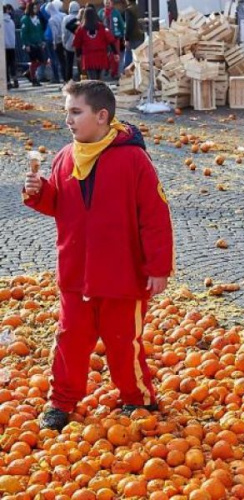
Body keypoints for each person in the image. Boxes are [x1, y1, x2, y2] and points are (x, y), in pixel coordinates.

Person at [23, 80, 174, 431]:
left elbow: (154, 217)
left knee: (124, 343)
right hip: (76, 275)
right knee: (69, 341)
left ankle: (138, 399)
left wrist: (158, 268)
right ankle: (61, 402)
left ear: (102, 116)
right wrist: (39, 193)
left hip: (123, 278)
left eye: (76, 112)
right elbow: (60, 204)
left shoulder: (134, 159)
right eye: (67, 113)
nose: (69, 120)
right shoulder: (64, 158)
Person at [74, 6, 118, 81]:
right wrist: (115, 53)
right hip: (101, 55)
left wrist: (78, 55)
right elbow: (110, 39)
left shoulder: (81, 29)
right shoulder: (101, 27)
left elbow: (77, 43)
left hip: (88, 57)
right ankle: (99, 91)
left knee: (92, 78)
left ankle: (95, 91)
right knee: (99, 78)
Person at [20, 2, 45, 86]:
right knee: (34, 61)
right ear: (30, 9)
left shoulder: (37, 18)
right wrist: (26, 44)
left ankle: (28, 73)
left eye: (36, 8)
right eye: (34, 8)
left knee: (42, 60)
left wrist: (42, 40)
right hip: (30, 44)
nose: (36, 10)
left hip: (38, 43)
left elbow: (40, 30)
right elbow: (23, 33)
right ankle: (34, 79)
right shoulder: (25, 19)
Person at [98, 0, 124, 79]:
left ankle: (114, 73)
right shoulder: (100, 13)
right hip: (104, 38)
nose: (107, 5)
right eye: (106, 3)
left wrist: (122, 35)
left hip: (115, 37)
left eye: (109, 3)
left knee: (115, 56)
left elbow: (121, 24)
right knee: (105, 55)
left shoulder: (116, 12)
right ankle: (106, 68)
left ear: (112, 4)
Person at [45, 0, 65, 85]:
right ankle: (68, 76)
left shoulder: (52, 19)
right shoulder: (63, 15)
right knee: (65, 59)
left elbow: (54, 32)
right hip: (65, 39)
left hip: (58, 41)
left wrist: (54, 43)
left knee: (58, 60)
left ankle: (61, 77)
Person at [62, 1, 80, 82]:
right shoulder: (81, 17)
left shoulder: (66, 18)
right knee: (80, 61)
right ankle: (81, 77)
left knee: (69, 62)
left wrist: (64, 42)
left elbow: (64, 32)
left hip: (69, 43)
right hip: (79, 43)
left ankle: (68, 80)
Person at [123, 0, 144, 68]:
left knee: (128, 57)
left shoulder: (129, 10)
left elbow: (129, 25)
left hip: (132, 37)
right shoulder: (141, 9)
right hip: (140, 36)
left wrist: (126, 39)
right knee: (139, 58)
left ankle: (127, 74)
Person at [4, 4, 18, 89]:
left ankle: (8, 82)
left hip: (3, 45)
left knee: (5, 65)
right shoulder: (11, 21)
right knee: (12, 63)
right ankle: (15, 80)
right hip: (12, 44)